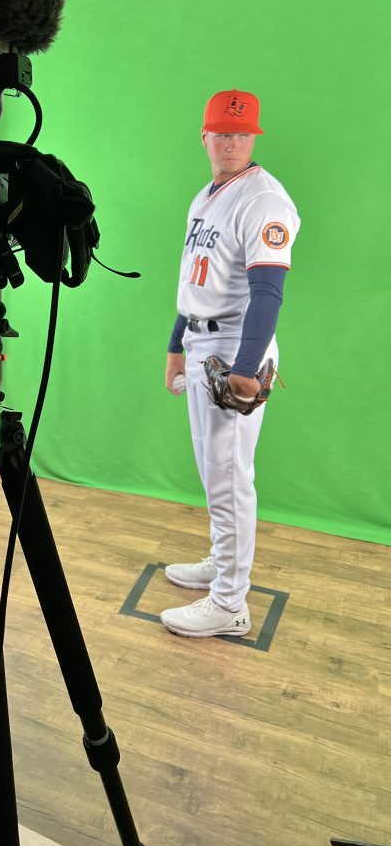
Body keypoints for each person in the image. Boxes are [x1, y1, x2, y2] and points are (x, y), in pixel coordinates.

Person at [161, 89, 300, 638]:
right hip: (201, 343)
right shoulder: (208, 194)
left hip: (236, 349)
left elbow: (268, 292)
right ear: (205, 136)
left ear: (254, 138)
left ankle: (229, 604)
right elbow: (192, 279)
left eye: (242, 133)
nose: (232, 141)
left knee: (229, 476)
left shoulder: (264, 200)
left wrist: (245, 368)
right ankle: (222, 565)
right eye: (223, 131)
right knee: (213, 472)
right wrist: (177, 343)